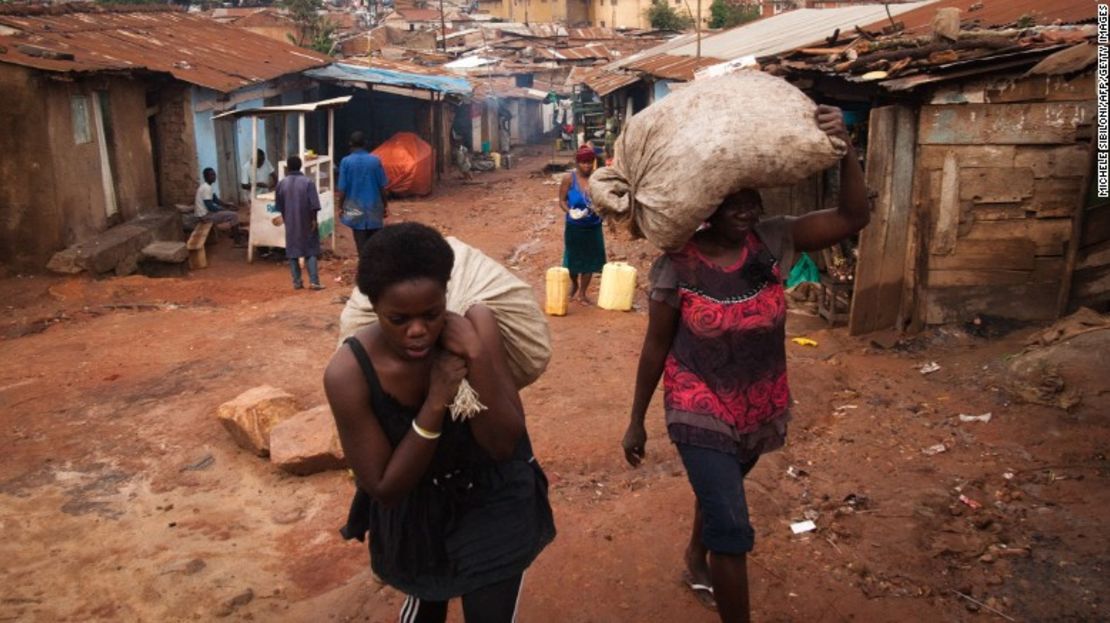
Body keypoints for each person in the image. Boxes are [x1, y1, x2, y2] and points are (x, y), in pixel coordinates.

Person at [621, 105, 869, 623]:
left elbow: (852, 218)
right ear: (708, 203)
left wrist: (844, 149)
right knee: (732, 529)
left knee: (721, 494)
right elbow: (655, 346)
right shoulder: (677, 263)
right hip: (697, 403)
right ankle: (717, 568)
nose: (748, 210)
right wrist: (636, 421)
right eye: (734, 201)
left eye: (752, 199)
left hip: (759, 403)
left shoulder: (775, 239)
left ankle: (694, 557)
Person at [324, 223, 555, 623]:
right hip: (416, 508)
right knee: (425, 607)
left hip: (492, 498)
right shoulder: (350, 372)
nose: (418, 331)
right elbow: (385, 487)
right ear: (374, 307)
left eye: (431, 314)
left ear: (446, 296)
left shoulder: (476, 325)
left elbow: (502, 445)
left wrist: (477, 355)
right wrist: (436, 399)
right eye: (398, 319)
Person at [558, 145, 606, 305]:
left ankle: (582, 293)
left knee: (590, 260)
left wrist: (600, 210)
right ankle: (575, 284)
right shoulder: (569, 179)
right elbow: (562, 200)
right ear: (577, 163)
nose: (586, 166)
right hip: (574, 226)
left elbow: (604, 200)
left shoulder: (597, 179)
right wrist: (570, 211)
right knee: (572, 260)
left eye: (589, 162)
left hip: (593, 226)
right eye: (583, 162)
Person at [335, 131, 390, 254]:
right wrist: (385, 206)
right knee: (375, 246)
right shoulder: (375, 160)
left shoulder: (346, 162)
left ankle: (364, 269)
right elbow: (382, 186)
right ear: (365, 144)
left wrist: (340, 207)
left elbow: (342, 188)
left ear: (350, 144)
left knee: (361, 246)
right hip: (374, 208)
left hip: (355, 209)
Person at [274, 156, 324, 291]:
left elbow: (279, 206)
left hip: (290, 222)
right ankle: (314, 281)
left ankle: (297, 282)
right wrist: (314, 219)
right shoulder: (308, 182)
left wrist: (286, 217)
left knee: (292, 251)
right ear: (300, 166)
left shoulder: (281, 184)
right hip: (307, 220)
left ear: (288, 167)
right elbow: (314, 205)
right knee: (311, 250)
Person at [194, 168, 246, 245]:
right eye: (211, 175)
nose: (214, 176)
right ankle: (237, 241)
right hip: (205, 217)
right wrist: (224, 209)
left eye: (214, 174)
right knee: (234, 216)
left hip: (205, 214)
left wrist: (228, 205)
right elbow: (210, 207)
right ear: (206, 177)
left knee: (230, 213)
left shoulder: (207, 186)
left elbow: (216, 200)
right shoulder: (206, 188)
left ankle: (234, 233)